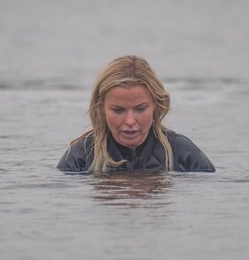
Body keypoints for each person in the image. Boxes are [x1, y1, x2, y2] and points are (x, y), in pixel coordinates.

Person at [57, 55, 215, 173]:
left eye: (140, 109)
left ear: (156, 105)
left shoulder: (182, 152)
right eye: (118, 110)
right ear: (101, 107)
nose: (130, 121)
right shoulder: (80, 156)